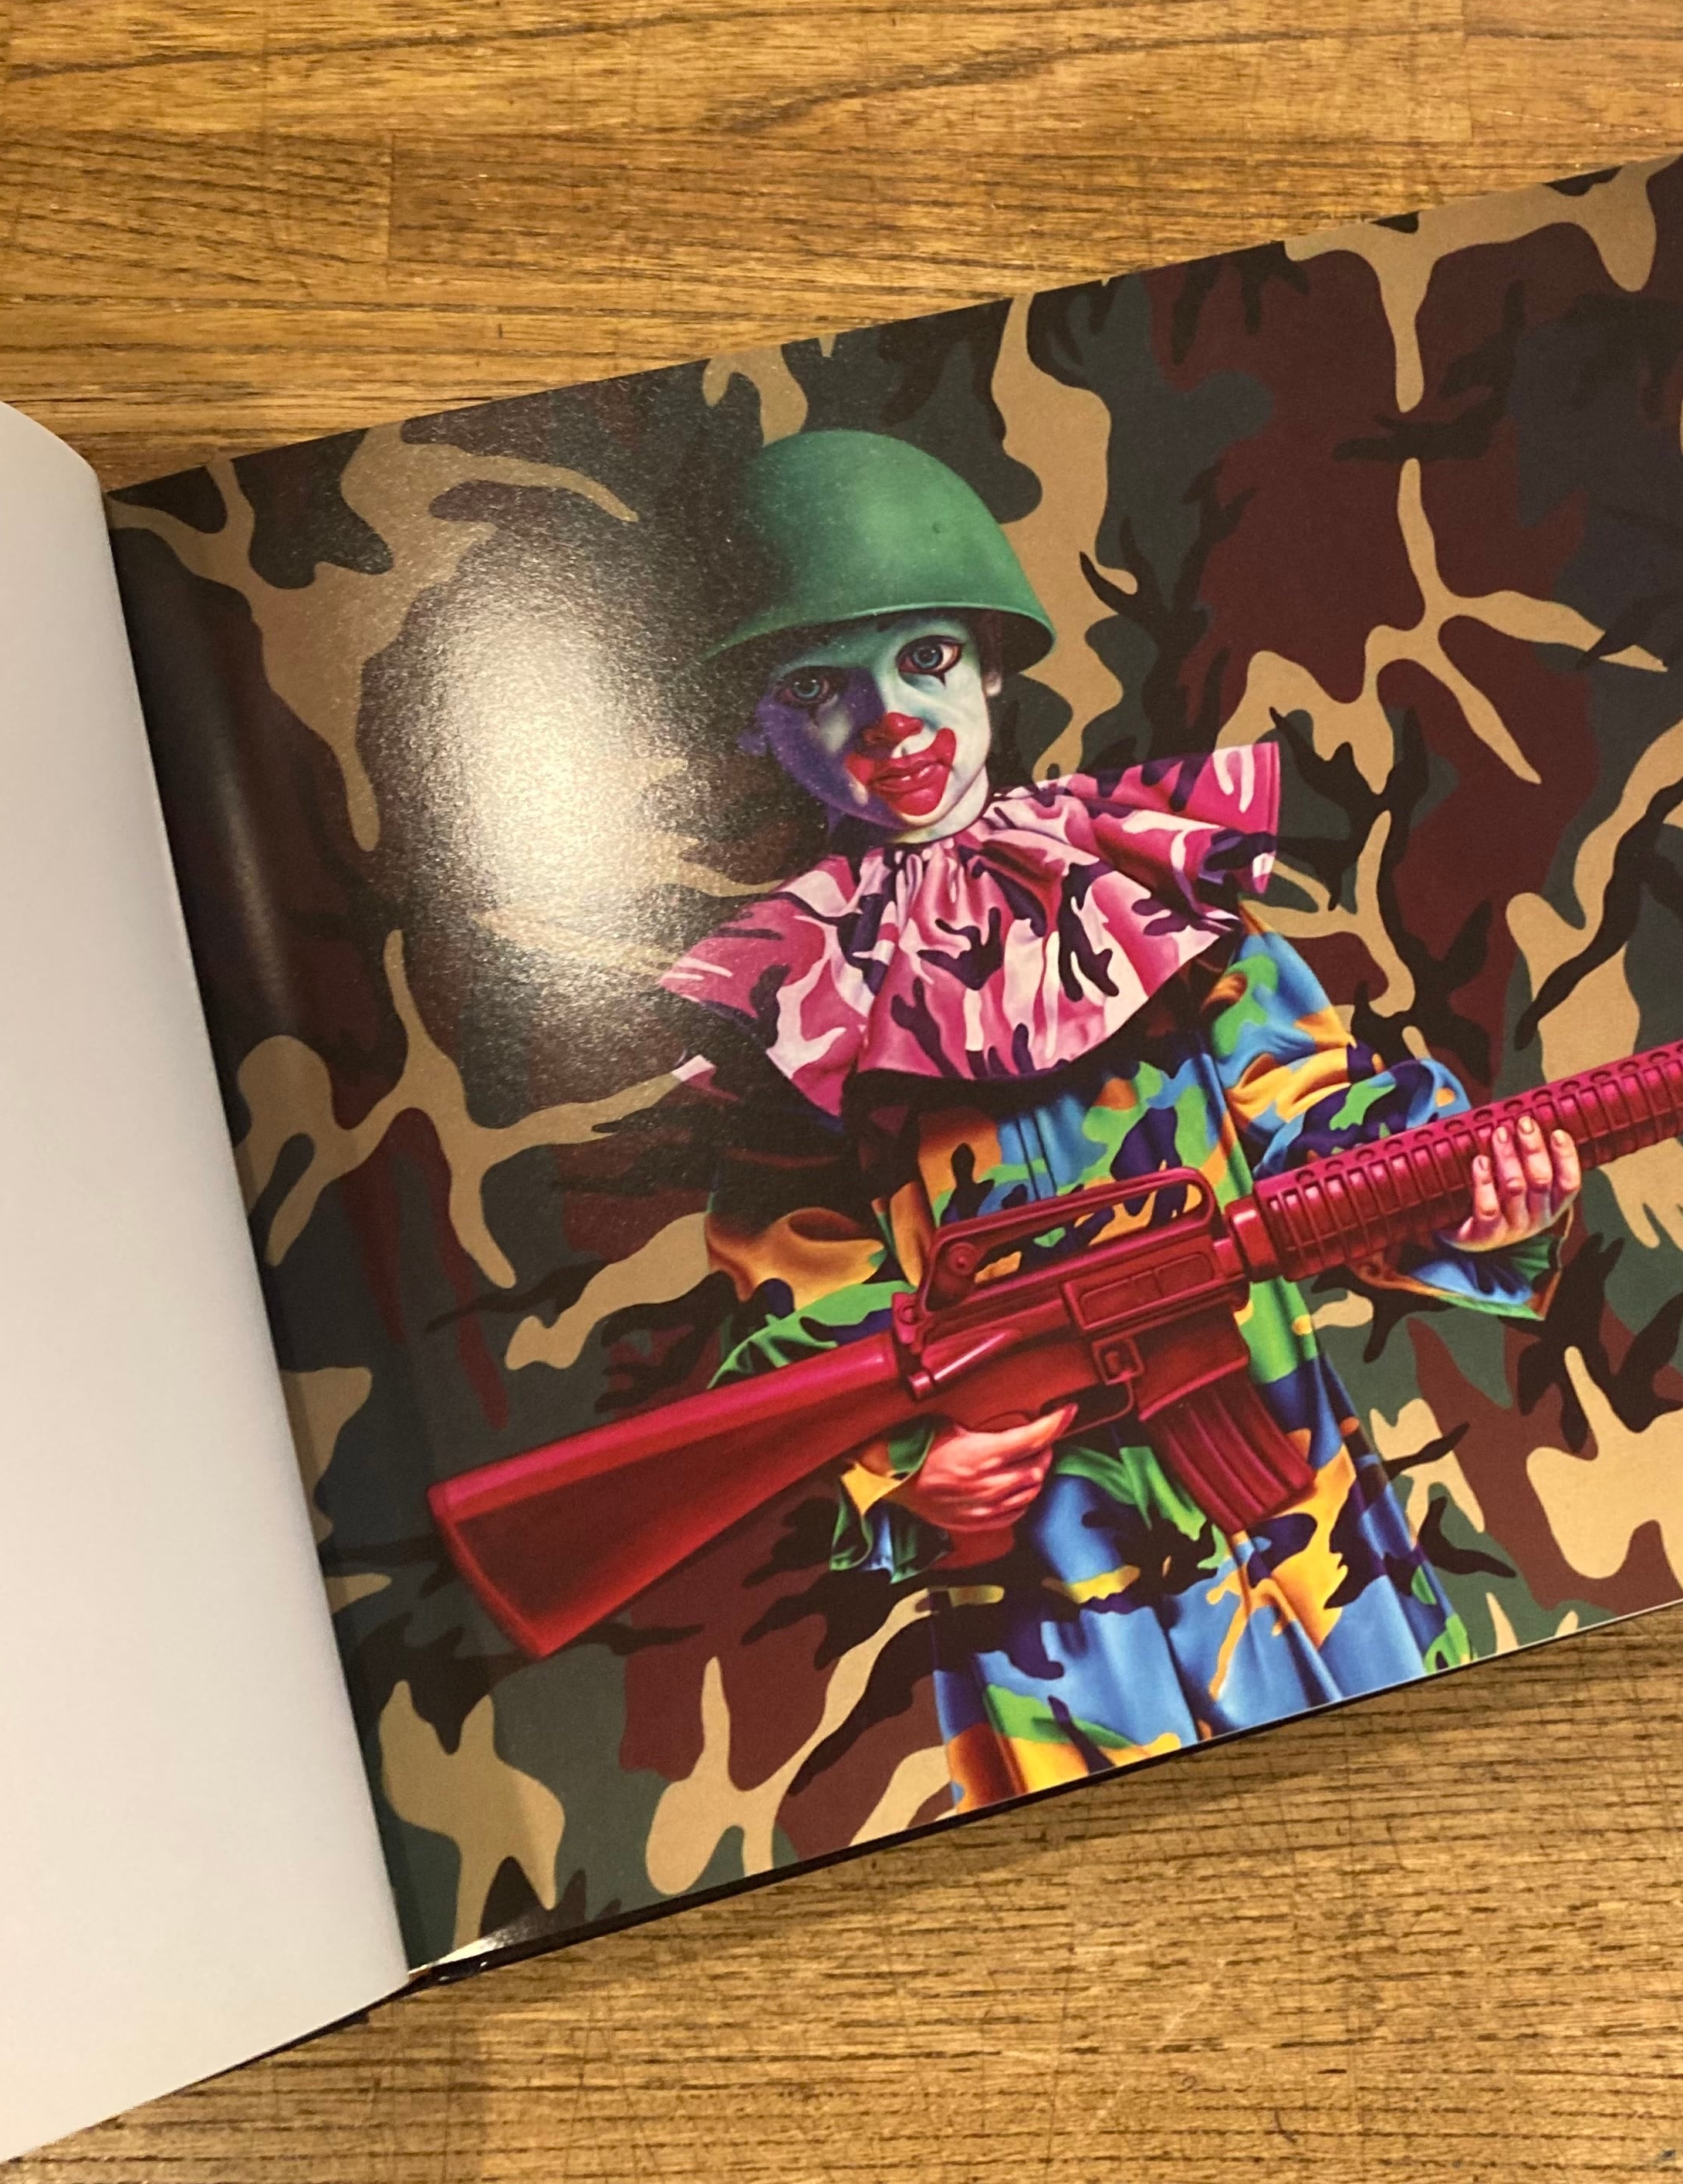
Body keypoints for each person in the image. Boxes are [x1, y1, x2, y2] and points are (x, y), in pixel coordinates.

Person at [661, 429, 1580, 1811]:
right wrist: (910, 1472)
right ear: (756, 726)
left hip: (1304, 1534)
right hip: (1047, 1596)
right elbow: (795, 1299)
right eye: (816, 687)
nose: (891, 721)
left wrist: (1480, 1198)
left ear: (989, 666)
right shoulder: (787, 999)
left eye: (925, 659)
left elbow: (1324, 1133)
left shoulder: (1148, 893)